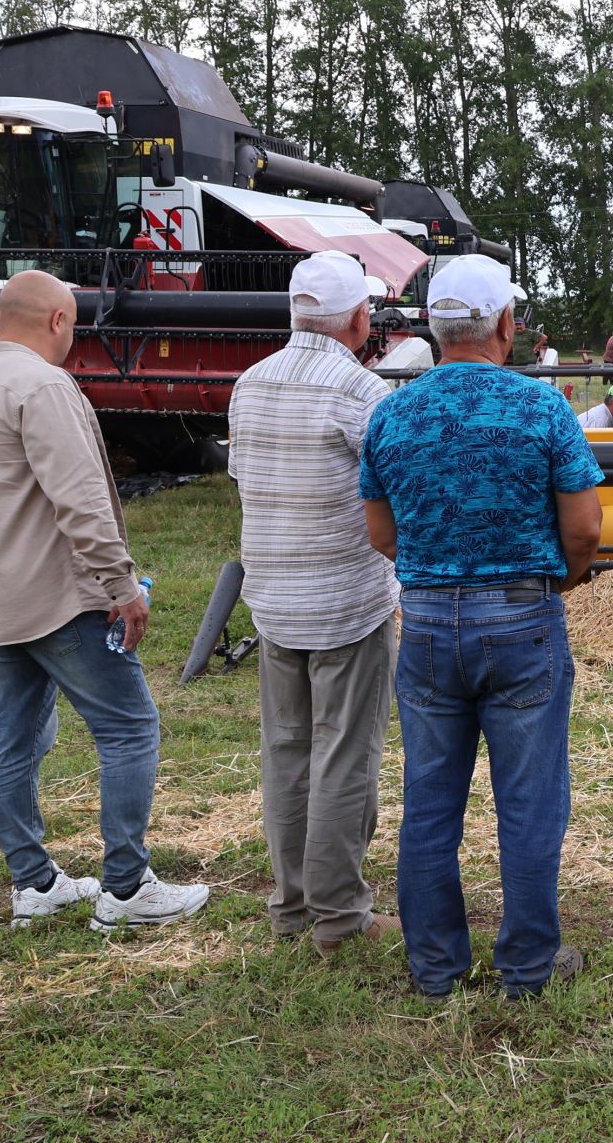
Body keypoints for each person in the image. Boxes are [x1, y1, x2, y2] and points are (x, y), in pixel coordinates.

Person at [0, 269, 208, 931]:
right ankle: (128, 887)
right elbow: (80, 497)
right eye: (73, 326)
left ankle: (35, 882)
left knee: (16, 735)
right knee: (129, 727)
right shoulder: (45, 387)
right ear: (56, 320)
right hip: (60, 598)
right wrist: (120, 584)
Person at [360, 254, 605, 998]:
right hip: (522, 615)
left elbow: (380, 533)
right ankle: (528, 966)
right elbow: (586, 528)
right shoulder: (542, 409)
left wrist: (439, 570)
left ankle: (436, 967)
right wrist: (552, 580)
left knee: (430, 802)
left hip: (430, 621)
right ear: (505, 324)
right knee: (530, 803)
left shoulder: (392, 413)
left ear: (434, 327)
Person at [229, 251, 399, 954]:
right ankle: (338, 914)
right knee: (342, 753)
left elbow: (242, 473)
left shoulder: (249, 383)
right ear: (359, 319)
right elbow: (391, 491)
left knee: (287, 749)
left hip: (272, 595)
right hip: (344, 601)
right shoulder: (360, 392)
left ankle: (291, 903)